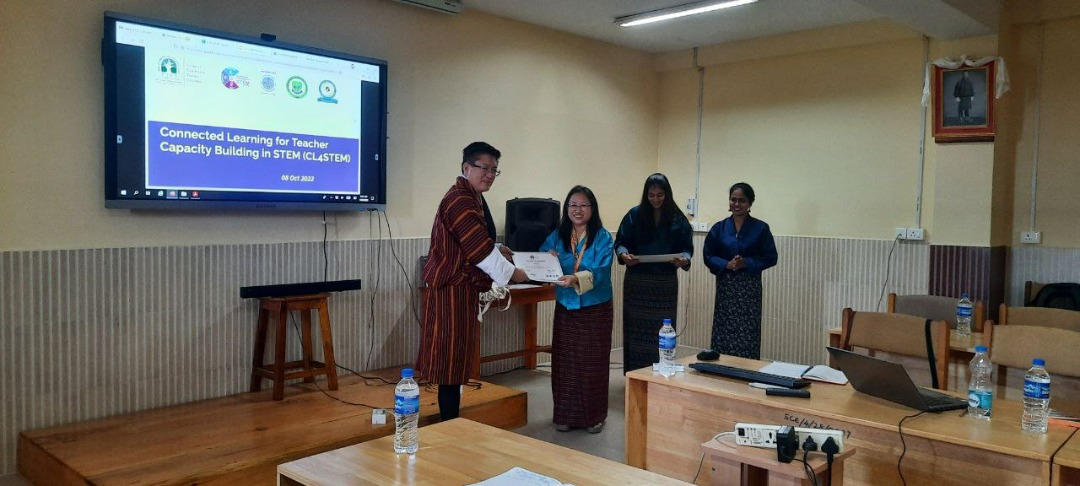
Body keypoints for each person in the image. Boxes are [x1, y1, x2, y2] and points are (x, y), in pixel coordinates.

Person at [416, 141, 528, 422]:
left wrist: (497, 249)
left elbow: (475, 242)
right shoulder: (460, 198)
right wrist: (514, 274)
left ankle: (452, 421)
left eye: (494, 170)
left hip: (460, 289)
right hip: (450, 290)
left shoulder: (470, 195)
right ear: (467, 167)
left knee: (454, 363)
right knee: (449, 364)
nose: (489, 175)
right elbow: (478, 250)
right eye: (484, 168)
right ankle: (449, 424)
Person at [540, 185, 613, 434]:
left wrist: (576, 278)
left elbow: (601, 271)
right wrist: (548, 258)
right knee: (565, 361)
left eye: (583, 205)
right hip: (566, 305)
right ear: (566, 209)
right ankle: (565, 415)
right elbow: (542, 258)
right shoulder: (558, 236)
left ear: (592, 208)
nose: (578, 210)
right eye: (573, 205)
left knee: (592, 362)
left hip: (595, 308)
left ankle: (594, 417)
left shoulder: (603, 237)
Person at [614, 173, 693, 374]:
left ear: (667, 194)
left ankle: (661, 374)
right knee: (636, 333)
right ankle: (635, 375)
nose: (656, 199)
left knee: (663, 333)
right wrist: (623, 254)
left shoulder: (677, 217)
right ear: (645, 195)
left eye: (660, 195)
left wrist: (684, 258)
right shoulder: (634, 214)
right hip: (637, 283)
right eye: (651, 195)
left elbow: (687, 248)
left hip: (664, 283)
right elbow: (621, 242)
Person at [702, 182, 777, 360]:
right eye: (733, 200)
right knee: (724, 328)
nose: (736, 204)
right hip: (726, 287)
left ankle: (747, 370)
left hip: (749, 287)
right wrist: (726, 264)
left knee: (748, 330)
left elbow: (771, 257)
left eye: (741, 200)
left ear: (750, 203)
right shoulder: (719, 228)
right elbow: (708, 255)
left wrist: (746, 263)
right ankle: (720, 369)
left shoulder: (761, 228)